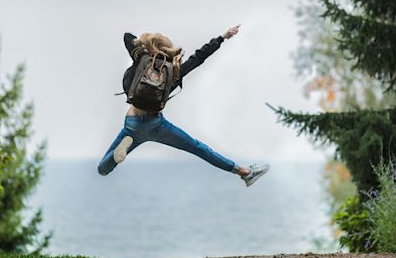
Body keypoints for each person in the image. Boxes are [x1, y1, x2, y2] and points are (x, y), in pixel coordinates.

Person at [97, 24, 270, 187]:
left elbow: (127, 36)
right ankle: (244, 172)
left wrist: (145, 49)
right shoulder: (173, 71)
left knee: (103, 169)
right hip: (156, 125)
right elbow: (199, 57)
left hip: (132, 124)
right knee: (198, 148)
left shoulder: (142, 60)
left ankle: (119, 153)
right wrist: (222, 37)